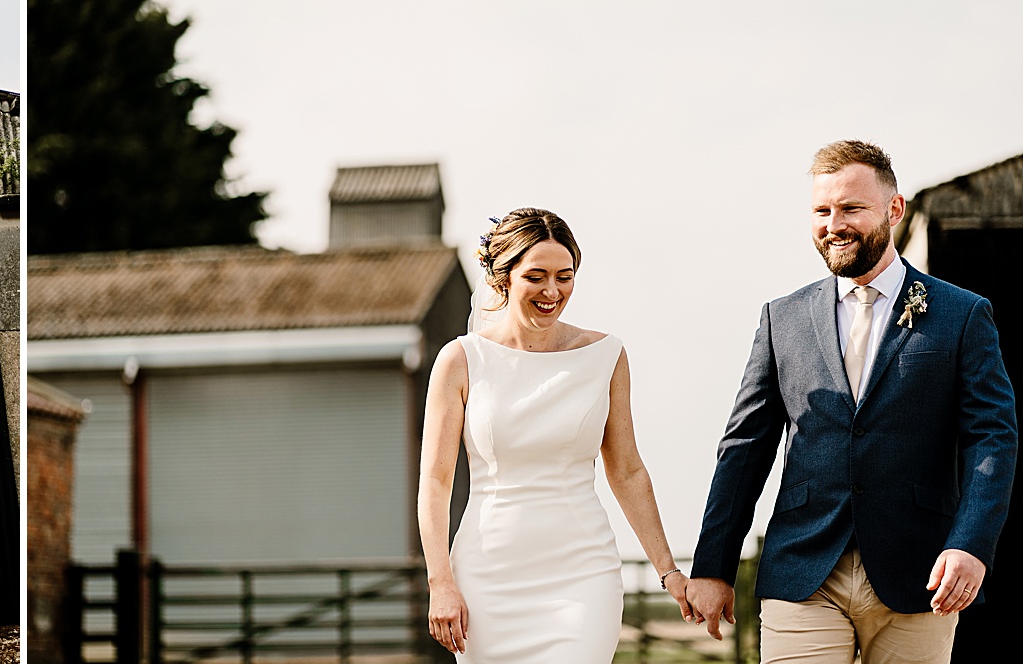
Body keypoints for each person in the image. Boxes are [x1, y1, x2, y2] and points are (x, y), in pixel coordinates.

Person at [687, 140, 1018, 662]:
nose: (834, 224)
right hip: (802, 569)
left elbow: (992, 438)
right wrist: (712, 565)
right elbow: (745, 447)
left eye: (851, 208)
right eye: (822, 210)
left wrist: (971, 543)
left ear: (893, 209)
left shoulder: (962, 314)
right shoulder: (783, 319)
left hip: (921, 574)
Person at [417, 208, 690, 661]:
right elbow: (436, 480)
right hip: (488, 576)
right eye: (536, 276)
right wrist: (440, 582)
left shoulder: (606, 356)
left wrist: (669, 572)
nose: (552, 291)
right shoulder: (460, 359)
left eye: (565, 276)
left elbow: (627, 470)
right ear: (503, 278)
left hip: (582, 573)